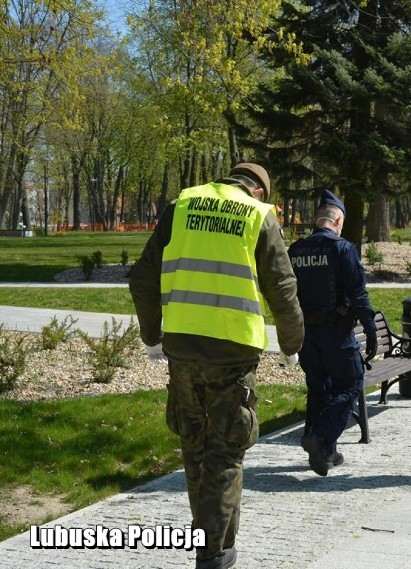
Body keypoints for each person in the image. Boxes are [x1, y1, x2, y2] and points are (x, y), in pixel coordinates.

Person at [129, 162, 305, 569]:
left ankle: (209, 543)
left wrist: (153, 336)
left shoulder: (181, 206)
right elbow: (282, 287)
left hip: (183, 350)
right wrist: (292, 345)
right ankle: (215, 553)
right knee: (226, 455)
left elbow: (142, 280)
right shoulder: (258, 215)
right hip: (233, 354)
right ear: (258, 190)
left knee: (194, 450)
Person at [288, 189, 378, 476]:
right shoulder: (342, 249)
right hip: (336, 333)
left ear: (318, 220)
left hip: (307, 334)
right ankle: (320, 436)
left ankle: (324, 453)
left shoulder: (296, 250)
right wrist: (371, 328)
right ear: (337, 220)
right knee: (351, 383)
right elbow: (358, 293)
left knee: (319, 389)